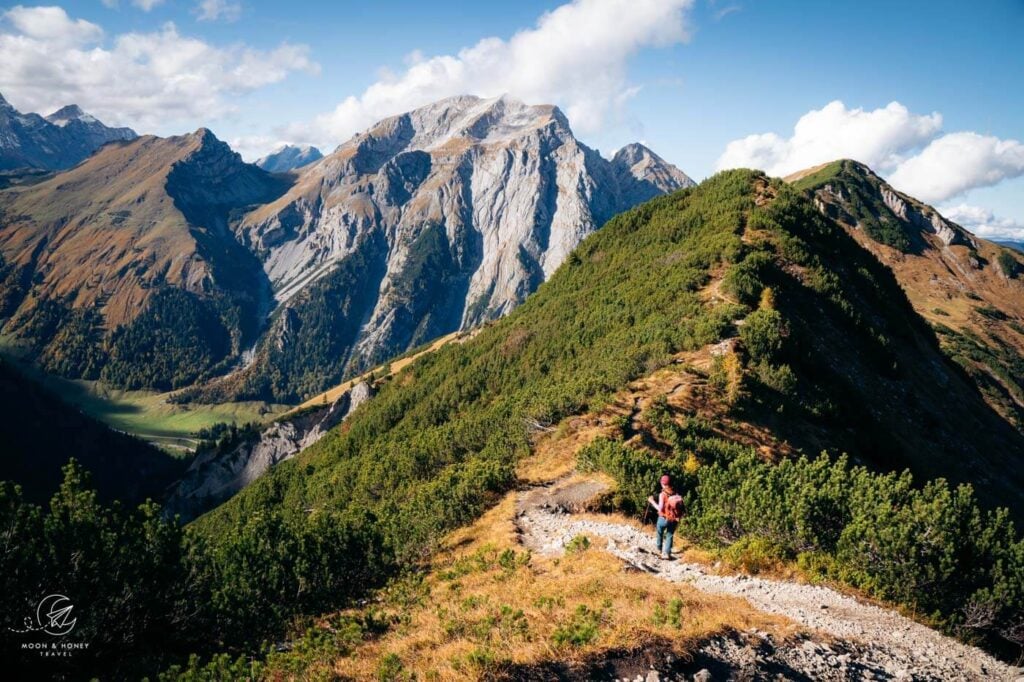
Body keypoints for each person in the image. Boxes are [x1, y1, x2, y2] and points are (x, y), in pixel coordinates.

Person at [648, 474, 683, 560]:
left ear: (662, 484)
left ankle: (659, 549)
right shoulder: (675, 492)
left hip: (663, 518)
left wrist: (652, 501)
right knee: (669, 535)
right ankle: (667, 553)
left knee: (660, 532)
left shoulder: (662, 494)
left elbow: (660, 508)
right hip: (674, 518)